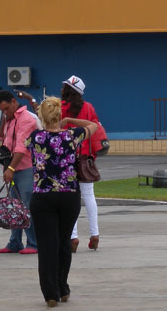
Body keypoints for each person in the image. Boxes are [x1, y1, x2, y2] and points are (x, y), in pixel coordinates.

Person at [29, 96, 97, 307]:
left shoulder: (35, 137)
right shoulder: (72, 136)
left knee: (47, 245)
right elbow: (94, 125)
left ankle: (50, 293)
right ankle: (63, 287)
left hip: (43, 195)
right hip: (68, 195)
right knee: (63, 242)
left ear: (42, 116)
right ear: (59, 115)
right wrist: (70, 120)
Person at [0, 90, 39, 255]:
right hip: (12, 167)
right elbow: (2, 136)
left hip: (25, 167)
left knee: (26, 207)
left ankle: (33, 243)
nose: (5, 112)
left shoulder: (26, 118)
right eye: (2, 110)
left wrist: (11, 168)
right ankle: (15, 242)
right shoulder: (10, 119)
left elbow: (21, 147)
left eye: (6, 108)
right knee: (14, 207)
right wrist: (4, 118)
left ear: (14, 102)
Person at [61, 75, 101, 252]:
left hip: (65, 157)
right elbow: (95, 129)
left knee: (71, 198)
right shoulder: (89, 107)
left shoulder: (61, 108)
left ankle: (73, 237)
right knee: (89, 196)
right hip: (85, 155)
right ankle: (95, 234)